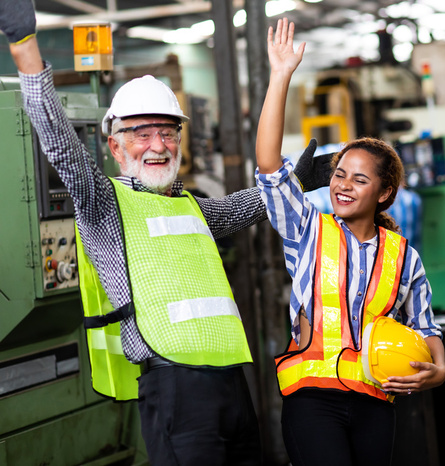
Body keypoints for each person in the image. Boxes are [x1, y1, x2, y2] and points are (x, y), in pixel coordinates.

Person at [0, 2, 327, 464]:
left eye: (168, 132)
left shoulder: (193, 207)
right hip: (175, 388)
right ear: (114, 146)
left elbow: (246, 205)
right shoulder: (104, 203)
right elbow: (57, 140)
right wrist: (24, 46)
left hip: (234, 383)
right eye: (141, 133)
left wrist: (299, 178)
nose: (158, 145)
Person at [254, 19, 445, 466]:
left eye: (359, 179)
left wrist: (437, 371)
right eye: (339, 174)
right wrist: (281, 75)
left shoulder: (403, 256)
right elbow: (269, 166)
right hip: (312, 401)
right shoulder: (308, 230)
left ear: (383, 193)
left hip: (376, 402)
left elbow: (425, 327)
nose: (343, 185)